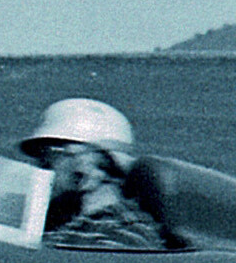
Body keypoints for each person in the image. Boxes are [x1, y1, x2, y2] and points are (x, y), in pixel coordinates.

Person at [19, 98, 168, 250]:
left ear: (87, 164)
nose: (42, 165)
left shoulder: (121, 236)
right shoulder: (59, 220)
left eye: (53, 153)